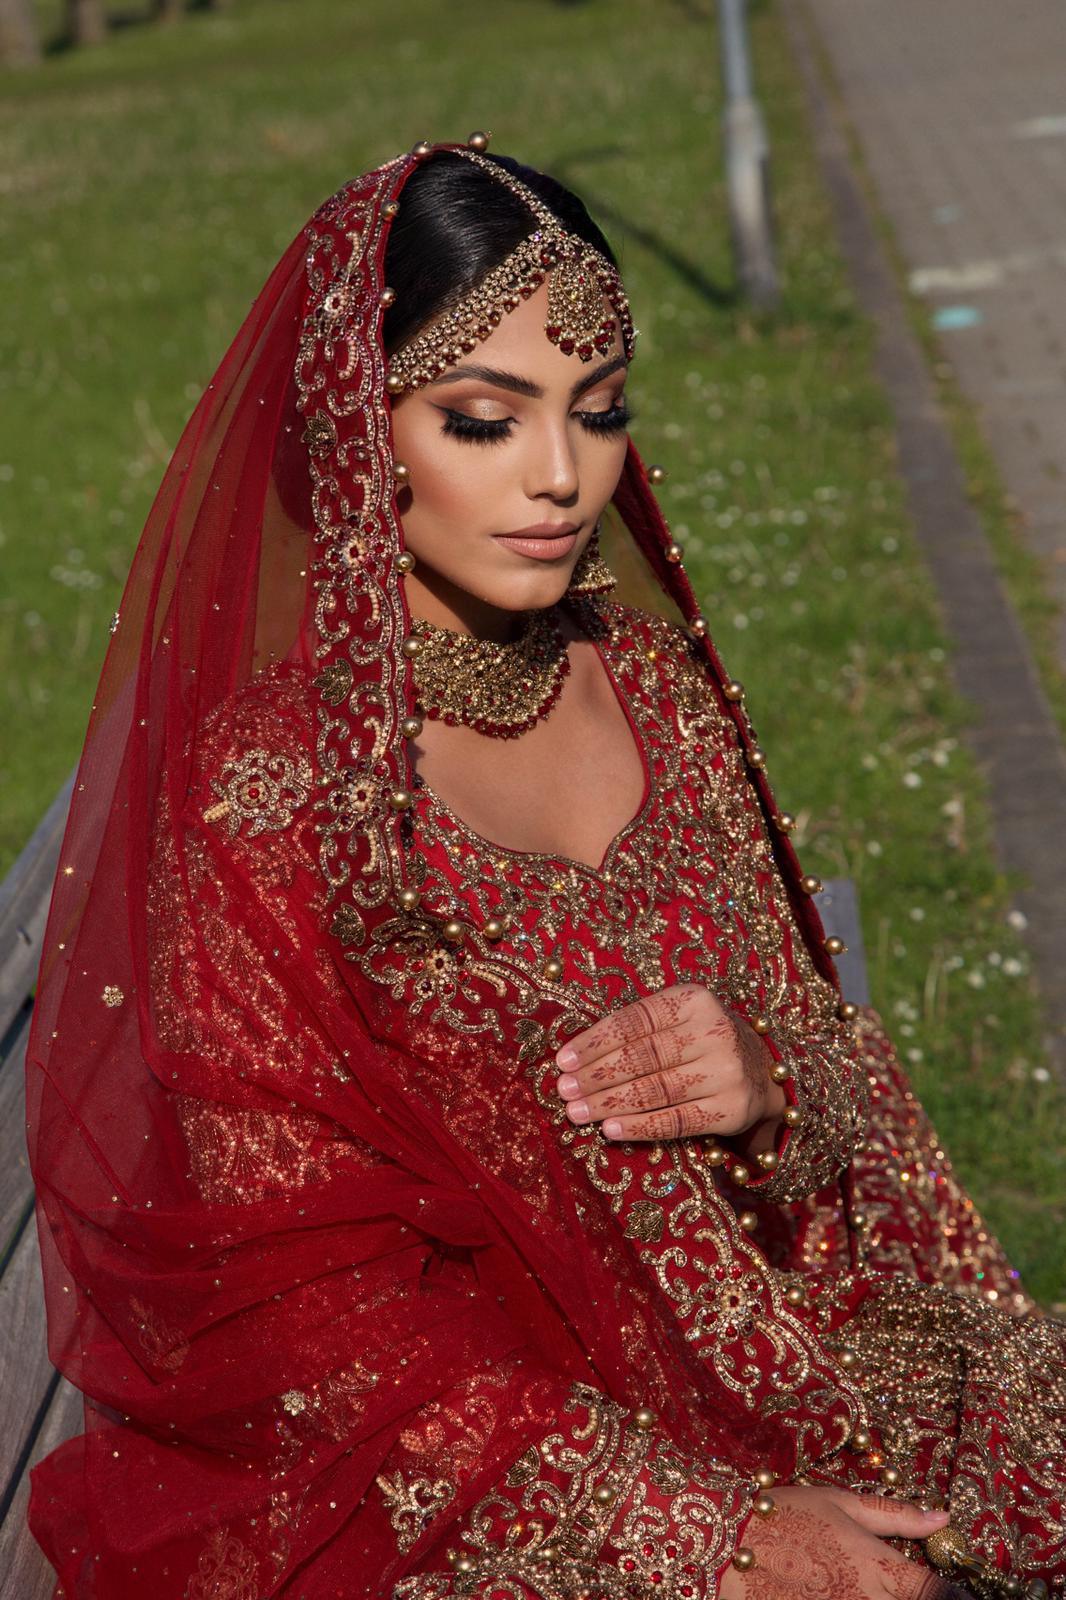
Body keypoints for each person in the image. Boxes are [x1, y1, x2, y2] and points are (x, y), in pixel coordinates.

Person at [24, 135, 1064, 1600]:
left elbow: (837, 1069)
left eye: (599, 410)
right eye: (481, 419)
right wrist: (717, 1539)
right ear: (351, 424)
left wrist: (764, 1073)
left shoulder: (641, 679)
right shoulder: (276, 805)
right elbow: (310, 1318)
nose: (563, 478)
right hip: (491, 1478)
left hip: (808, 1351)